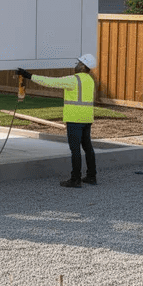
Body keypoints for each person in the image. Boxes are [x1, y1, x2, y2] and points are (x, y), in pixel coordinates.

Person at [16, 53, 97, 188]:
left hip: (74, 119)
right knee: (88, 148)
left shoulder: (74, 80)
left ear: (83, 66)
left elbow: (50, 82)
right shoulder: (90, 80)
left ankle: (75, 179)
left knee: (75, 150)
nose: (76, 65)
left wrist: (29, 76)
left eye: (78, 63)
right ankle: (91, 176)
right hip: (87, 118)